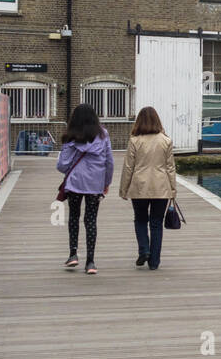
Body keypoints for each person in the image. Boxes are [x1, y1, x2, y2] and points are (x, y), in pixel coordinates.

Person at [56, 103, 114, 274]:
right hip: (95, 184)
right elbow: (109, 162)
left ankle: (73, 254)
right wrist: (106, 182)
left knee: (74, 217)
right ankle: (90, 262)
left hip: (75, 183)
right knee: (91, 220)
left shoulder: (70, 137)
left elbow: (62, 165)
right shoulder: (103, 136)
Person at [119, 106, 177, 271]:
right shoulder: (166, 141)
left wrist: (124, 189)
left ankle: (144, 249)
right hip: (161, 187)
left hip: (139, 186)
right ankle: (154, 261)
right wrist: (173, 190)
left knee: (140, 220)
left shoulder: (135, 141)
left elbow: (128, 167)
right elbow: (170, 168)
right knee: (156, 223)